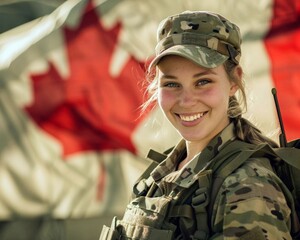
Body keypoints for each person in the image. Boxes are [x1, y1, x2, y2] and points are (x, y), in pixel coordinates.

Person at [99, 10, 294, 240]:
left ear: (234, 81)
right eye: (172, 84)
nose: (186, 101)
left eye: (203, 81)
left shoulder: (248, 185)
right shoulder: (161, 173)